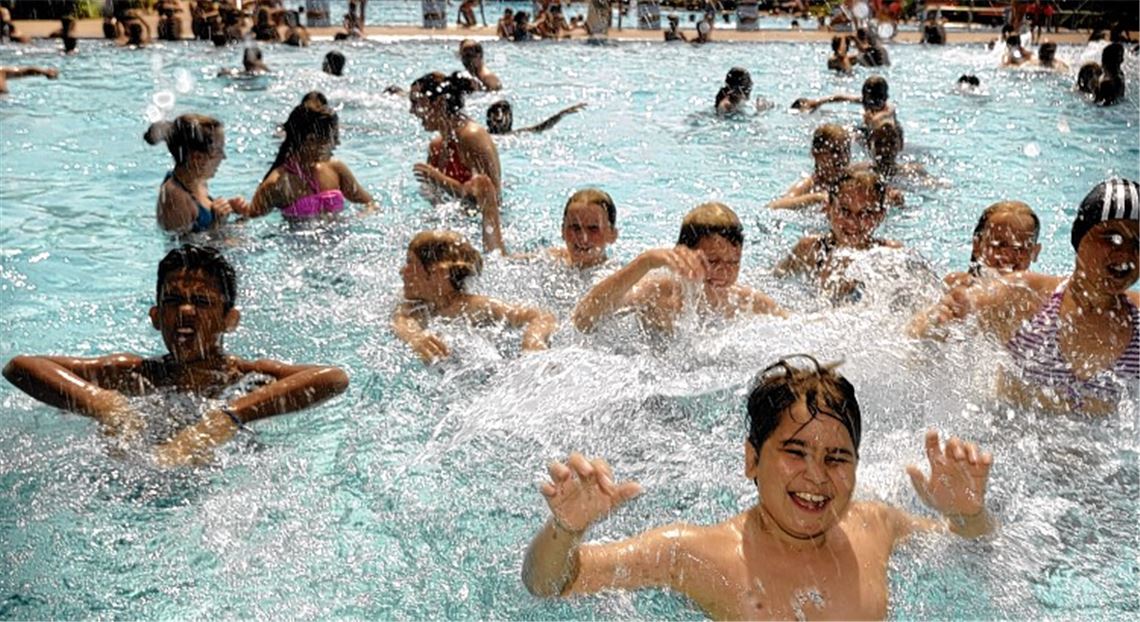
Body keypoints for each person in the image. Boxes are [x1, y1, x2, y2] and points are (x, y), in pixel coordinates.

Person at [522, 355, 995, 619]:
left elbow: (963, 548)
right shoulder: (698, 554)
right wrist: (565, 530)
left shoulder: (874, 525)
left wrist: (968, 514)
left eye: (836, 458)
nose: (816, 476)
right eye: (794, 452)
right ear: (752, 459)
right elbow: (548, 584)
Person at [2, 244, 350, 467]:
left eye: (201, 302)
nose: (185, 312)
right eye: (172, 301)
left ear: (230, 320)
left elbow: (333, 377)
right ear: (156, 318)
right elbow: (21, 367)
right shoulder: (137, 375)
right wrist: (104, 404)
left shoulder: (243, 378)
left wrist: (226, 419)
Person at [910, 178, 1140, 415]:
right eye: (1112, 238)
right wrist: (942, 317)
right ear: (1079, 239)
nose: (1125, 252)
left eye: (1138, 243)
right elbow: (916, 342)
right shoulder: (1026, 296)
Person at [572, 202, 786, 334]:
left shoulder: (744, 301)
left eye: (733, 262)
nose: (724, 272)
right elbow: (583, 320)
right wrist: (645, 262)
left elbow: (796, 327)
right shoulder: (656, 292)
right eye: (712, 261)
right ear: (682, 254)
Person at [392, 230, 557, 363]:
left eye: (410, 263)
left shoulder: (476, 306)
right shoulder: (415, 305)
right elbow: (401, 319)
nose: (402, 271)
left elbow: (542, 316)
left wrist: (533, 342)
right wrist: (414, 337)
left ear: (438, 273)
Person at [409, 72, 503, 250]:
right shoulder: (437, 146)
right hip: (456, 226)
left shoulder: (472, 136)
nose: (412, 111)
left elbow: (492, 199)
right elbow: (438, 202)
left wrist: (439, 179)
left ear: (438, 103)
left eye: (416, 103)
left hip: (482, 232)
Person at [776, 169, 902, 301]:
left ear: (880, 216)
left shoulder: (891, 254)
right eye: (844, 210)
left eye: (865, 213)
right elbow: (774, 282)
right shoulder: (811, 249)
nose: (853, 221)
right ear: (828, 208)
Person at [250, 92, 375, 221]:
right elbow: (247, 220)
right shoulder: (277, 183)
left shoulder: (336, 169)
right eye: (333, 138)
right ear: (311, 140)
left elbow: (370, 203)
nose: (337, 143)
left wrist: (354, 219)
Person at [145, 114, 250, 235]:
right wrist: (217, 223)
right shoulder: (176, 199)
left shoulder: (197, 181)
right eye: (219, 151)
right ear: (197, 158)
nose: (223, 157)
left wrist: (239, 216)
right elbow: (184, 250)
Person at [488, 188, 619, 269]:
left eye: (593, 228)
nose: (583, 237)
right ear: (562, 231)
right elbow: (498, 260)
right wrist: (489, 208)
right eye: (575, 227)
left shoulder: (615, 277)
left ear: (612, 235)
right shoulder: (550, 259)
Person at [943, 201, 1041, 289]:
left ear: (1034, 253)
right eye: (998, 245)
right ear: (977, 246)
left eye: (1020, 248)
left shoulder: (1041, 296)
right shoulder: (958, 286)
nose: (1008, 256)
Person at [768, 123, 850, 211]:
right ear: (816, 153)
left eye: (846, 150)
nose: (842, 157)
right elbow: (773, 206)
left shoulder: (851, 180)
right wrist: (816, 198)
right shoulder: (809, 185)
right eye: (835, 151)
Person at [792, 76, 898, 133]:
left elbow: (882, 117)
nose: (867, 106)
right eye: (865, 102)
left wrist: (873, 120)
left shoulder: (889, 109)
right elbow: (840, 97)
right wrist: (817, 102)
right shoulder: (868, 101)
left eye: (870, 103)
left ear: (884, 98)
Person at [486, 100, 586, 135]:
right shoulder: (482, 135)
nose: (500, 116)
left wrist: (562, 114)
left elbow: (542, 127)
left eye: (504, 112)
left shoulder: (517, 134)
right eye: (495, 112)